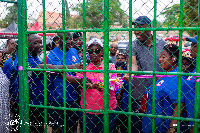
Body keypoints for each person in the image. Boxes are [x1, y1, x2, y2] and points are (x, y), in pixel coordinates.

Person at [125, 16, 166, 132]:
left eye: (140, 27)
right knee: (138, 126)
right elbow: (133, 65)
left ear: (150, 27)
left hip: (161, 92)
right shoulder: (133, 45)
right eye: (134, 28)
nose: (136, 31)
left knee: (160, 125)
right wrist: (130, 74)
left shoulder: (162, 44)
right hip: (140, 93)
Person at [77, 38, 119, 133]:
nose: (94, 54)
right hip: (88, 111)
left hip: (108, 110)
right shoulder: (85, 68)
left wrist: (97, 84)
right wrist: (92, 85)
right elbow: (79, 84)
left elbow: (113, 82)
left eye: (97, 51)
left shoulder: (110, 66)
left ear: (102, 51)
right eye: (91, 52)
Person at [142, 44, 186, 133]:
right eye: (160, 56)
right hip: (153, 124)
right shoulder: (167, 74)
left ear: (174, 58)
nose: (160, 59)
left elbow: (180, 105)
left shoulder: (175, 77)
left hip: (162, 127)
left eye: (163, 57)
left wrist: (172, 128)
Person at [47, 32, 81, 133]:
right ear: (58, 40)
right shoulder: (53, 54)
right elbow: (62, 73)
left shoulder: (74, 51)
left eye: (70, 38)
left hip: (73, 96)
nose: (70, 41)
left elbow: (78, 71)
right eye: (66, 39)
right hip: (57, 97)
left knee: (71, 127)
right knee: (57, 129)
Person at [182, 35, 198, 132]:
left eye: (195, 46)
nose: (191, 48)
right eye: (191, 45)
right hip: (190, 120)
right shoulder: (194, 69)